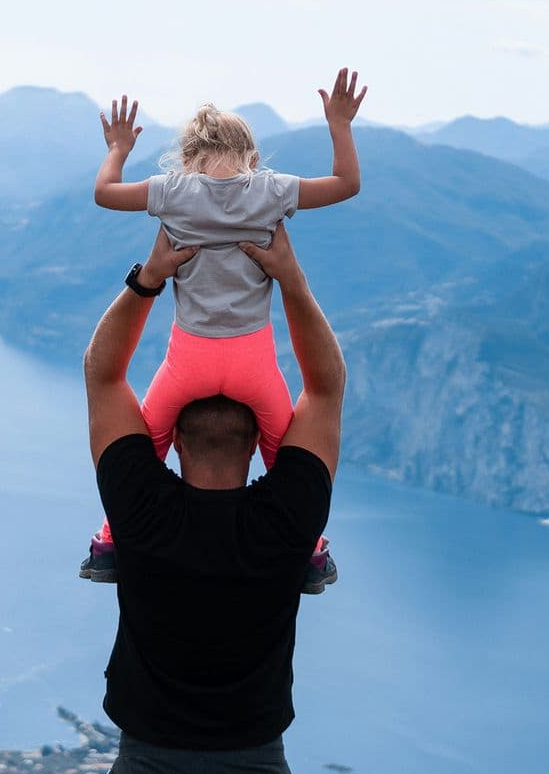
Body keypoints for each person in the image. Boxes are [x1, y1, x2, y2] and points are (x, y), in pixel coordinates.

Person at [84, 218, 345, 774]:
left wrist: (151, 276)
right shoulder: (287, 520)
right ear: (259, 441)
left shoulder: (138, 509)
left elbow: (102, 374)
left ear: (177, 439)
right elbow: (326, 387)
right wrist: (288, 277)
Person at [80, 68, 366, 593]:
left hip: (187, 362)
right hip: (253, 364)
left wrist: (118, 148)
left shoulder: (172, 193)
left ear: (187, 159)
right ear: (251, 157)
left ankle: (109, 541)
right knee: (288, 454)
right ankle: (310, 550)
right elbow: (347, 184)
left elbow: (104, 193)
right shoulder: (270, 191)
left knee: (147, 444)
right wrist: (340, 124)